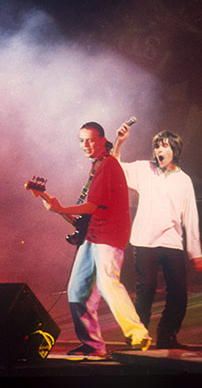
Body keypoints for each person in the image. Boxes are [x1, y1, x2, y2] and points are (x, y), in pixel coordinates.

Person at [42, 122, 151, 357]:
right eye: (81, 140)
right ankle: (93, 345)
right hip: (93, 236)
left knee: (108, 283)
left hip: (109, 236)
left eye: (91, 140)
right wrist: (57, 208)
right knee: (77, 290)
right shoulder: (97, 166)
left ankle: (138, 334)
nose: (86, 145)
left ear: (103, 140)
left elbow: (92, 205)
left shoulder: (108, 165)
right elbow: (86, 216)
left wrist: (61, 206)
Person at [113, 125, 202, 349]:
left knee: (178, 293)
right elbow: (114, 169)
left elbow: (191, 218)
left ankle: (167, 337)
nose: (159, 151)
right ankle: (138, 335)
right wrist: (120, 143)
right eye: (156, 147)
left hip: (172, 243)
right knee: (146, 289)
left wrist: (196, 253)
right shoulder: (145, 170)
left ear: (174, 150)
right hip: (145, 242)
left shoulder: (184, 180)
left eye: (164, 146)